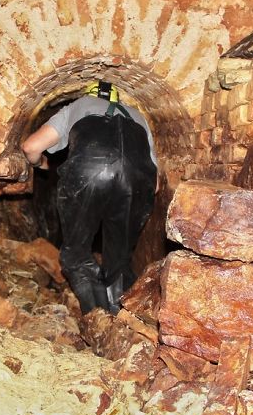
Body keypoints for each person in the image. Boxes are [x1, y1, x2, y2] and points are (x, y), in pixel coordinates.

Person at [20, 80, 157, 315]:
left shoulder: (79, 105)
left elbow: (30, 147)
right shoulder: (139, 117)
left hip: (88, 172)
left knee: (77, 254)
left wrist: (40, 163)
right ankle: (121, 317)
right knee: (120, 258)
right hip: (138, 181)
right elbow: (156, 184)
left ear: (90, 94)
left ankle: (97, 318)